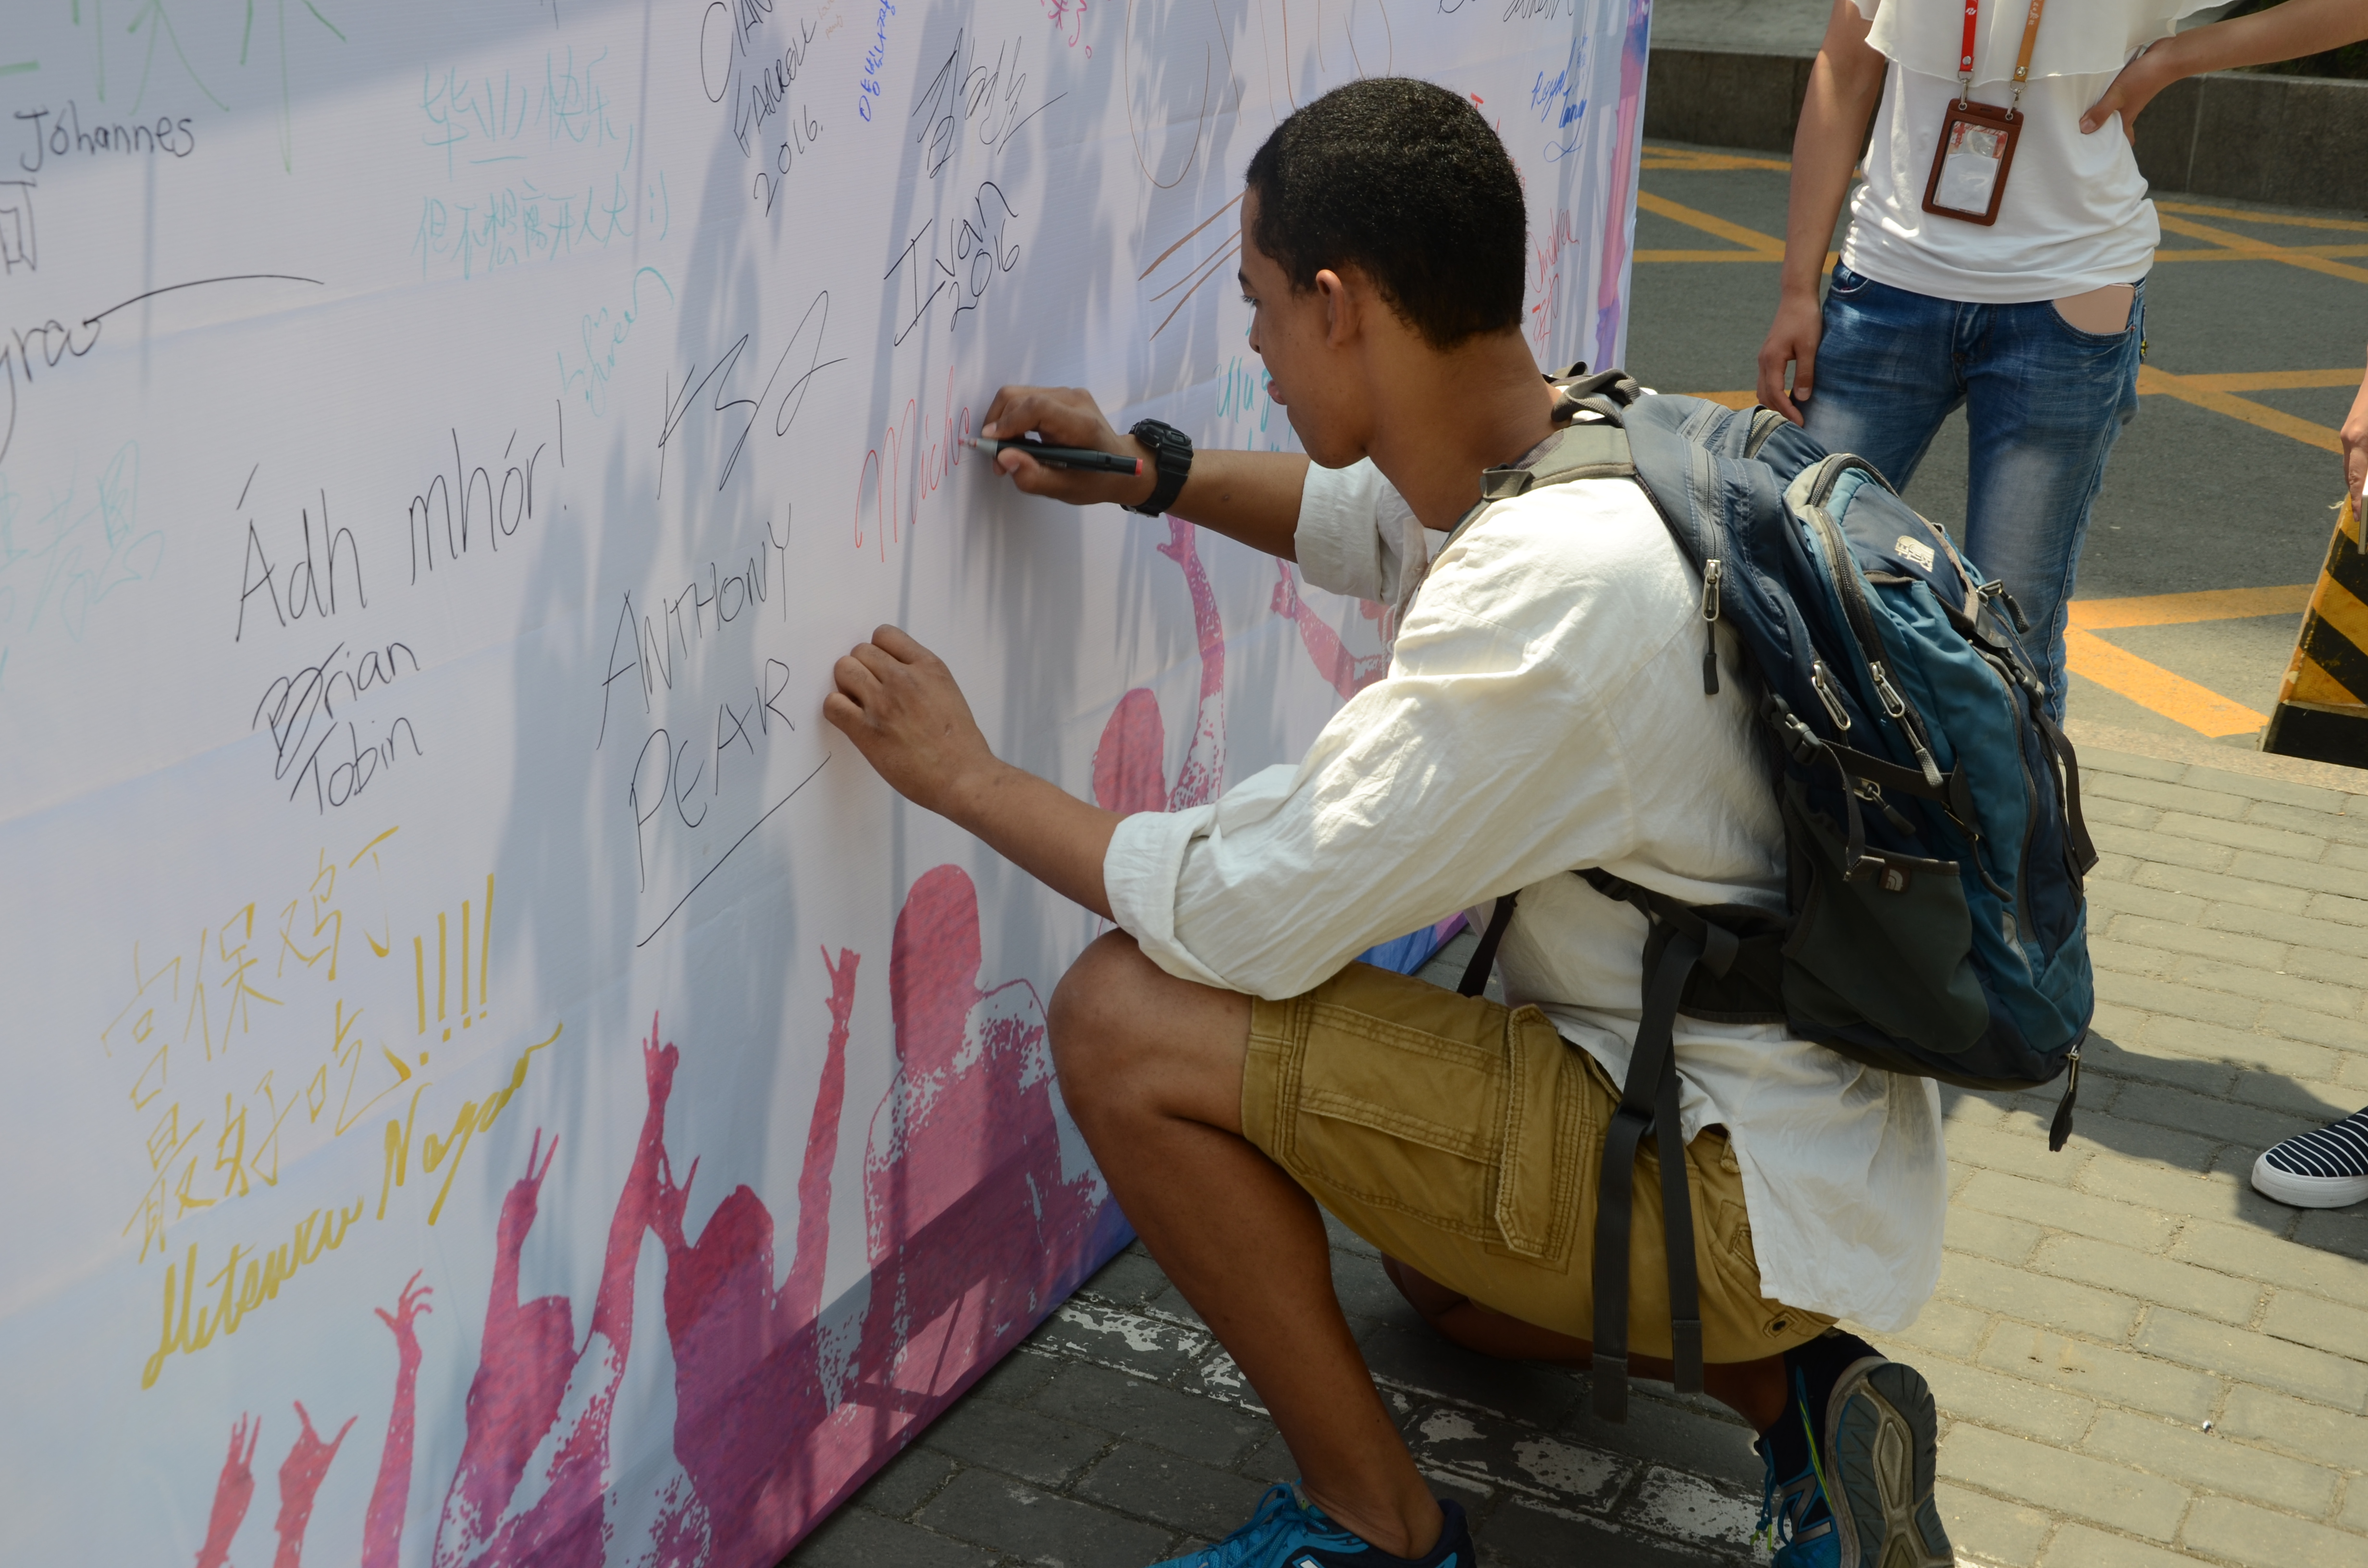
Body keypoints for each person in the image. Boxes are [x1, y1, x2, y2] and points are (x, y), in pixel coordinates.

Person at [825, 78, 1953, 1568]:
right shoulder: (1595, 437)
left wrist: (968, 778)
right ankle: (1806, 1400)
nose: (1253, 347)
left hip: (1729, 1179)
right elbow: (1363, 521)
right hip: (1800, 1142)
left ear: (1338, 305)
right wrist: (1150, 472)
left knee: (1124, 1018)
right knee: (1442, 1281)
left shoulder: (1548, 603)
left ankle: (1381, 1526)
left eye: (1258, 305)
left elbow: (1248, 911)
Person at [1758, 0, 2368, 721]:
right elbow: (1846, 67)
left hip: (2070, 304)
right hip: (1886, 286)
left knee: (2013, 631)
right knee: (1786, 576)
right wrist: (1797, 288)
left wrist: (2174, 59)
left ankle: (2016, 797)